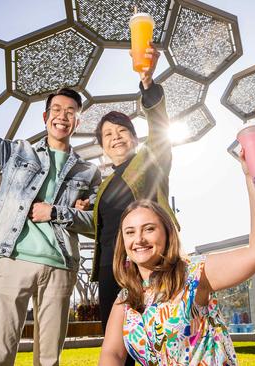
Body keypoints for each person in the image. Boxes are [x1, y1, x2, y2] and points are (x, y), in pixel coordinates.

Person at [0, 44, 101, 366]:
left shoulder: (88, 171)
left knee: (48, 360)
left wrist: (59, 213)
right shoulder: (19, 153)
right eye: (58, 110)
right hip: (14, 261)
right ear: (46, 116)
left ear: (77, 121)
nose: (63, 117)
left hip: (61, 266)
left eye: (70, 113)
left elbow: (97, 224)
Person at [98, 144, 255, 365]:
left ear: (167, 234)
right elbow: (112, 353)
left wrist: (252, 178)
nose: (139, 239)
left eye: (149, 229)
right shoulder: (126, 299)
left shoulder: (194, 274)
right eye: (130, 232)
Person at [78, 42, 179, 341]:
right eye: (108, 135)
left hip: (143, 263)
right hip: (110, 270)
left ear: (134, 139)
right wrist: (86, 211)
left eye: (122, 131)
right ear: (103, 146)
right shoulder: (106, 183)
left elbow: (160, 130)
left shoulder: (150, 159)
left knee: (153, 338)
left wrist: (148, 84)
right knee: (117, 343)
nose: (115, 137)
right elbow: (103, 229)